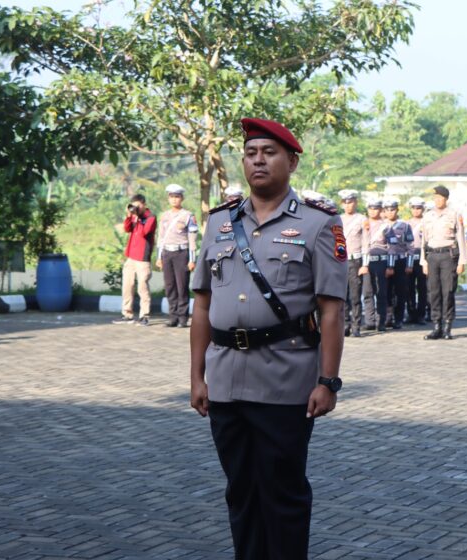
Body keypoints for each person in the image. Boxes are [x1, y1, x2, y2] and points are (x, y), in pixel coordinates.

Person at [190, 117, 346, 559]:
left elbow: (331, 311)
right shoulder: (219, 223)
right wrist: (197, 377)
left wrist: (328, 381)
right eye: (251, 152)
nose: (258, 160)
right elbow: (201, 305)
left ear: (292, 162)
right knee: (240, 492)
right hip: (225, 380)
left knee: (283, 494)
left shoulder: (319, 224)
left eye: (269, 152)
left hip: (286, 380)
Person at [420, 185, 467, 340]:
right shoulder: (428, 215)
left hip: (448, 256)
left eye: (440, 197)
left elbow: (461, 238)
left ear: (446, 199)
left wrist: (462, 261)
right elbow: (424, 240)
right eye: (435, 197)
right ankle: (436, 326)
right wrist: (423, 261)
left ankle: (447, 326)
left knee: (448, 291)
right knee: (433, 292)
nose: (437, 200)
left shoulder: (454, 214)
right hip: (432, 255)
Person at [156, 184, 199, 327]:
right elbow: (160, 238)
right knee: (169, 286)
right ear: (168, 198)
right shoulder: (164, 216)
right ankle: (172, 317)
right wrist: (159, 257)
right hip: (167, 253)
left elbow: (192, 239)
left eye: (177, 197)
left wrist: (192, 260)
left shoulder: (188, 216)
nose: (174, 200)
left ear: (182, 198)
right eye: (172, 197)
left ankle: (182, 318)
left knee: (182, 286)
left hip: (182, 253)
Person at [113, 194, 157, 326]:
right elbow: (127, 229)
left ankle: (144, 315)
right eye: (134, 205)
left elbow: (144, 232)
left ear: (144, 204)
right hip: (131, 257)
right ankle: (127, 314)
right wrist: (128, 216)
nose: (136, 208)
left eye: (138, 206)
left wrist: (138, 218)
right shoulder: (133, 216)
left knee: (142, 287)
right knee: (127, 286)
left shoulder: (151, 217)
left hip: (143, 258)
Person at [339, 189, 368, 337]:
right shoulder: (337, 219)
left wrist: (365, 264)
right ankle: (345, 324)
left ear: (356, 202)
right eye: (346, 202)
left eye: (351, 202)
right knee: (342, 295)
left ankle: (356, 325)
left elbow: (366, 243)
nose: (348, 205)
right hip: (340, 261)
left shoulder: (362, 219)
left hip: (355, 261)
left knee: (355, 296)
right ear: (342, 204)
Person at [383, 197, 414, 329]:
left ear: (397, 210)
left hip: (400, 261)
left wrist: (410, 264)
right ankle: (388, 316)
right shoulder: (380, 225)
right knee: (385, 290)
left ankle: (399, 318)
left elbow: (410, 247)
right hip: (384, 262)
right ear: (384, 211)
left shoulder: (405, 225)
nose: (391, 212)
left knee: (401, 291)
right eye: (388, 210)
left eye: (393, 209)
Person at [361, 200, 384, 330]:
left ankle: (381, 322)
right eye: (370, 208)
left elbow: (391, 247)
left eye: (376, 209)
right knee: (367, 292)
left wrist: (390, 266)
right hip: (366, 261)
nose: (373, 211)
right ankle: (369, 321)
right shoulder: (363, 223)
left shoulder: (385, 225)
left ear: (380, 210)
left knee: (381, 292)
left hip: (380, 261)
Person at [406, 197, 428, 324]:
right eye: (413, 208)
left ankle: (421, 314)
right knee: (409, 287)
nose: (416, 210)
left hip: (422, 256)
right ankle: (411, 313)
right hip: (409, 256)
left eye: (418, 208)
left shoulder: (426, 222)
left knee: (422, 287)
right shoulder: (405, 224)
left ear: (423, 209)